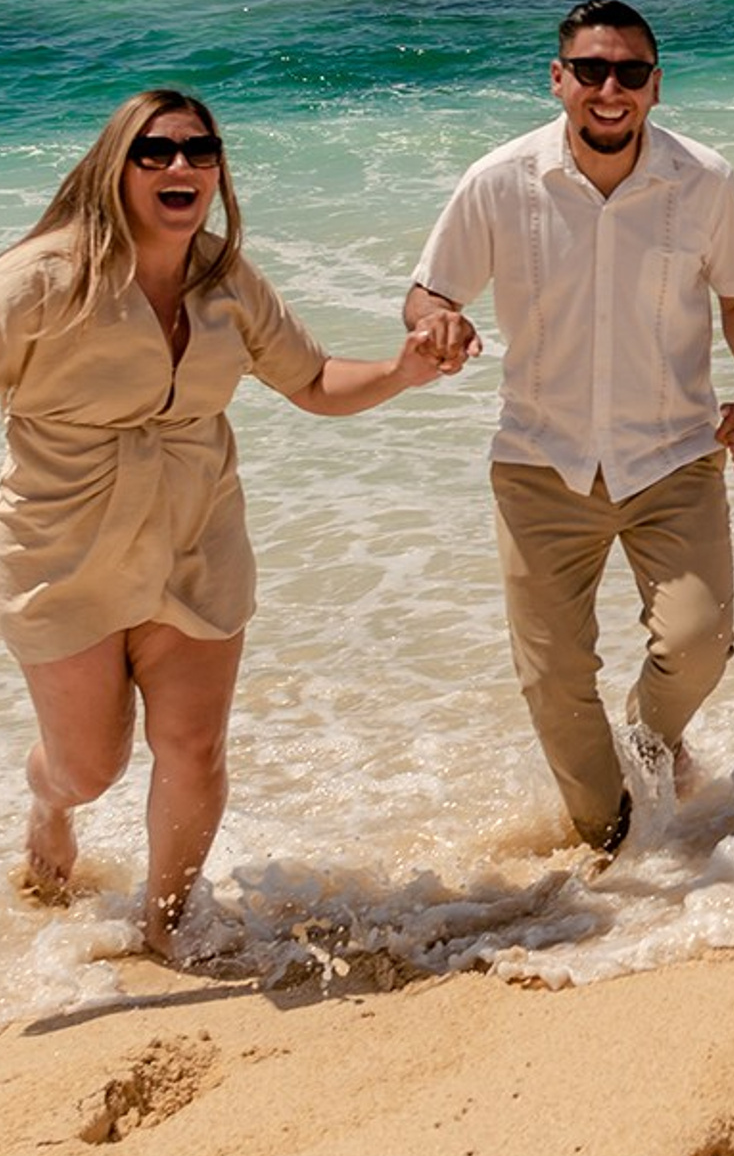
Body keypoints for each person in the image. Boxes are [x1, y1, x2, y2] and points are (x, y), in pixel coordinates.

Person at [4, 92, 458, 954]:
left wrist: (404, 371)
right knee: (90, 765)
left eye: (200, 151)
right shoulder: (41, 281)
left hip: (195, 538)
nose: (182, 167)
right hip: (65, 550)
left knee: (194, 747)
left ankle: (164, 931)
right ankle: (48, 803)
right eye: (156, 151)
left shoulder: (226, 280)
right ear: (116, 164)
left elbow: (315, 383)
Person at [406, 1, 734, 855]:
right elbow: (431, 288)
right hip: (540, 461)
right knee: (552, 682)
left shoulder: (705, 180)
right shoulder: (499, 180)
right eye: (591, 71)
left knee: (701, 640)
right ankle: (615, 851)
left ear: (656, 84)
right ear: (558, 80)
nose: (611, 90)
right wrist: (437, 324)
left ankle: (650, 739)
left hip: (673, 455)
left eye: (631, 73)